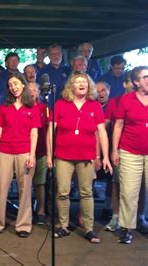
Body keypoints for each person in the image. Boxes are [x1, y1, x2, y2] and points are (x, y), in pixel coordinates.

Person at [47, 71, 112, 244]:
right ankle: (63, 226)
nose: (82, 84)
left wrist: (104, 156)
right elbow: (50, 132)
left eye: (85, 81)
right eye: (78, 82)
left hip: (86, 156)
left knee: (86, 193)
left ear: (89, 86)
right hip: (63, 155)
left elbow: (102, 132)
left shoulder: (94, 106)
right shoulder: (60, 104)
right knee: (62, 192)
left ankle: (89, 229)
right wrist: (49, 155)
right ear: (71, 86)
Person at [0, 73, 40, 238]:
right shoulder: (4, 107)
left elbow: (34, 133)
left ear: (23, 85)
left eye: (16, 84)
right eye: (10, 85)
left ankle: (23, 225)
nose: (13, 87)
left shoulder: (32, 107)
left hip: (24, 151)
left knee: (25, 189)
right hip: (4, 151)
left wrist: (32, 155)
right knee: (0, 187)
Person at [112, 66, 148, 244]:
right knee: (128, 191)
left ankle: (142, 219)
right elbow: (118, 125)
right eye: (145, 77)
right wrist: (114, 150)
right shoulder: (127, 100)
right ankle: (126, 228)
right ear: (136, 82)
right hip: (129, 150)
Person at [28, 82, 49, 225]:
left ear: (38, 92)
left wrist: (49, 152)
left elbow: (48, 129)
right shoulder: (23, 107)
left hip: (41, 150)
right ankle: (27, 210)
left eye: (34, 90)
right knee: (27, 182)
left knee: (40, 182)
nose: (31, 92)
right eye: (29, 90)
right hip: (25, 151)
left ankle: (40, 211)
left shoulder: (44, 108)